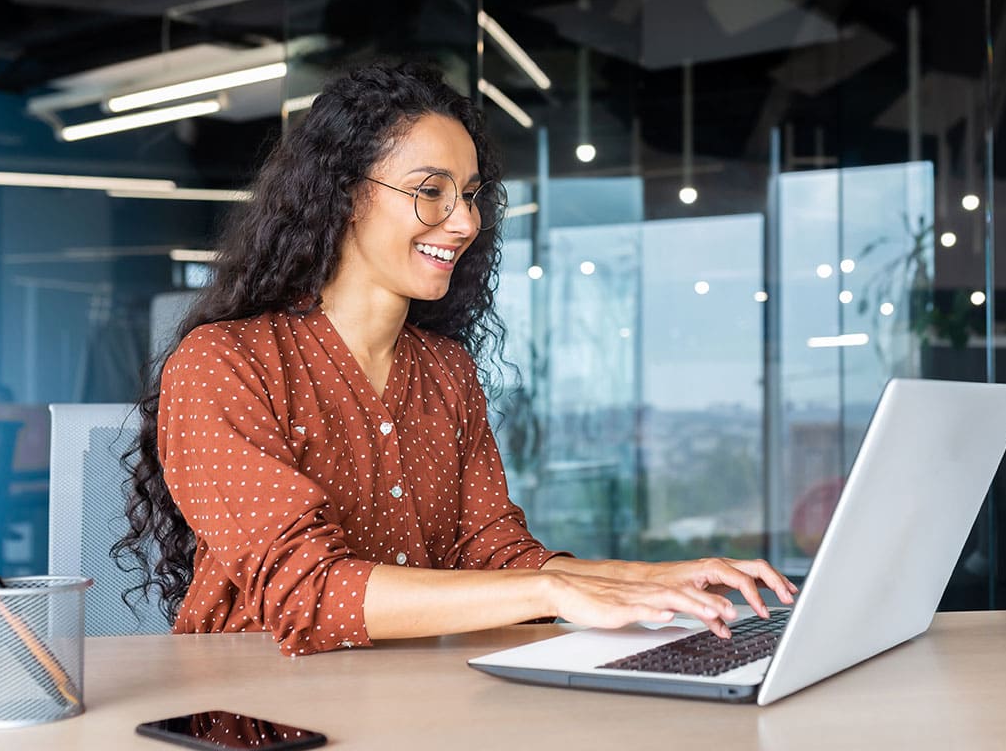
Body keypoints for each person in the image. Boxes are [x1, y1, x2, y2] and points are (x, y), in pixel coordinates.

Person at [116, 61, 796, 657]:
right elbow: (307, 590)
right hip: (254, 712)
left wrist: (653, 580)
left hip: (413, 696)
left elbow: (495, 555)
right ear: (346, 193)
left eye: (469, 194)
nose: (466, 221)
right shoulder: (224, 364)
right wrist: (557, 588)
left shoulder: (444, 372)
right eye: (431, 190)